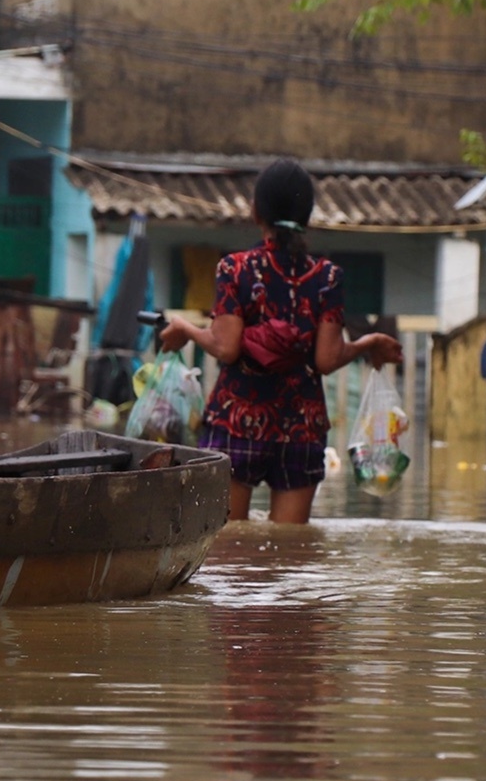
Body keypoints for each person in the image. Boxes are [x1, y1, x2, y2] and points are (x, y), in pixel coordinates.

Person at [159, 159, 402, 524]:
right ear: (307, 216)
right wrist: (367, 342)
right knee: (289, 550)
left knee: (226, 543)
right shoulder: (327, 276)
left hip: (236, 422)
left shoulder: (235, 269)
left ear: (256, 211)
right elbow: (326, 359)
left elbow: (226, 347)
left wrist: (184, 329)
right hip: (300, 429)